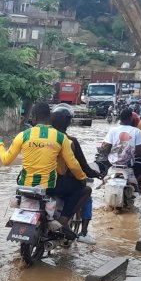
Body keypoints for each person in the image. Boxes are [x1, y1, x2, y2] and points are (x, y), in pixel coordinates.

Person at [0, 102, 90, 229]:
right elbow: (72, 164)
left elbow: (6, 160)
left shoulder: (23, 135)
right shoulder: (61, 138)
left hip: (25, 185)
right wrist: (82, 178)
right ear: (49, 116)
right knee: (81, 188)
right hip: (49, 187)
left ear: (33, 117)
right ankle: (63, 219)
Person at [51, 105, 100, 244]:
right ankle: (77, 228)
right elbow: (79, 166)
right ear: (68, 121)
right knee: (86, 191)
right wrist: (91, 175)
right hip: (60, 183)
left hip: (36, 181)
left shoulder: (38, 137)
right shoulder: (69, 140)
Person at [99, 108, 141, 191]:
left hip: (113, 166)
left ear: (120, 118)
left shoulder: (113, 130)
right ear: (131, 118)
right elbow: (138, 151)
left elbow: (106, 147)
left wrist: (103, 151)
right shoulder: (137, 131)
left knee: (104, 183)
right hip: (128, 167)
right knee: (135, 189)